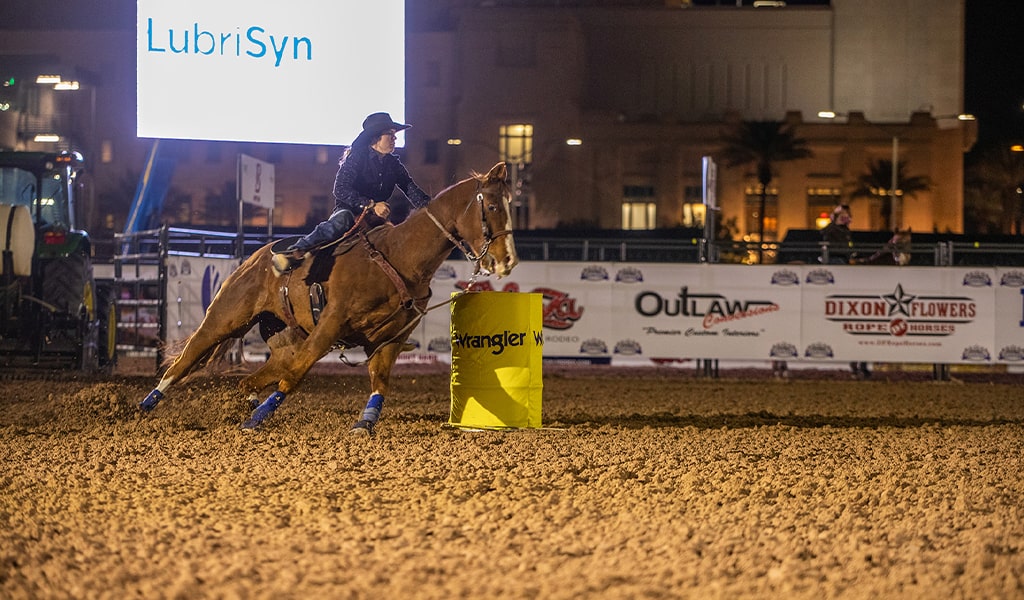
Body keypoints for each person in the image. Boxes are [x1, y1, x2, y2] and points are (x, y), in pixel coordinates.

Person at [273, 112, 432, 271]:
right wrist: (371, 205)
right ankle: (295, 251)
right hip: (349, 212)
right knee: (341, 220)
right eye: (389, 134)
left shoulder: (394, 165)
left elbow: (410, 188)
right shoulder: (357, 158)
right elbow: (340, 189)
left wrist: (432, 208)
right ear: (375, 137)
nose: (394, 138)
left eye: (394, 134)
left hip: (375, 218)